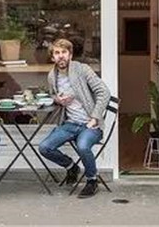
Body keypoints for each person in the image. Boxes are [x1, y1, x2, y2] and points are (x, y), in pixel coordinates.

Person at [39, 38, 111, 198]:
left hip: (90, 124)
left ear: (70, 55)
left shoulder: (82, 69)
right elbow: (52, 95)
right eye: (57, 53)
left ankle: (92, 180)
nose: (61, 56)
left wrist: (95, 118)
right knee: (45, 147)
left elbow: (104, 92)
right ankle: (71, 167)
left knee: (83, 146)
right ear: (52, 57)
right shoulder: (52, 76)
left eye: (64, 52)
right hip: (70, 124)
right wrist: (58, 99)